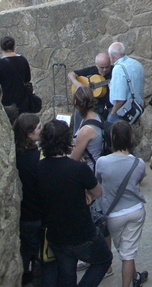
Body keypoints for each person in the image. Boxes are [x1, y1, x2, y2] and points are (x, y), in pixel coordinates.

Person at [36, 119, 113, 287]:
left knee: (67, 275)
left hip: (56, 233)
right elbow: (98, 192)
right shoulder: (78, 168)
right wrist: (87, 194)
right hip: (81, 232)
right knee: (104, 260)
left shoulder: (39, 168)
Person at [96, 121, 148, 287]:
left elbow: (98, 180)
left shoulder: (102, 162)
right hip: (135, 210)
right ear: (130, 138)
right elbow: (140, 179)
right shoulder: (138, 163)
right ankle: (135, 277)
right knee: (127, 252)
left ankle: (131, 281)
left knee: (125, 252)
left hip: (113, 213)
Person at [13, 113, 42, 285]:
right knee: (39, 252)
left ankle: (24, 276)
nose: (41, 130)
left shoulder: (15, 156)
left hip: (23, 214)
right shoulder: (37, 158)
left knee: (25, 249)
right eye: (39, 127)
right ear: (29, 134)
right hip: (37, 213)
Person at [68, 53, 113, 131]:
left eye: (107, 67)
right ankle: (77, 134)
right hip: (91, 106)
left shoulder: (115, 72)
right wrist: (77, 84)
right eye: (102, 67)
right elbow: (70, 74)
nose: (105, 70)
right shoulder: (91, 70)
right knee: (79, 110)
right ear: (96, 65)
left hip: (107, 107)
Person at [107, 42, 145, 124]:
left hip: (124, 111)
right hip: (138, 108)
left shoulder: (118, 69)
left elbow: (120, 99)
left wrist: (113, 114)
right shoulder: (136, 64)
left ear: (111, 56)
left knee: (109, 123)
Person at [70, 86, 104, 171]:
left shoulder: (86, 130)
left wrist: (76, 151)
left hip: (89, 170)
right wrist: (77, 149)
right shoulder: (95, 117)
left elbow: (73, 160)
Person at [0, 35, 32, 114]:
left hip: (8, 101)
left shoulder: (1, 63)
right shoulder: (23, 60)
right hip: (23, 100)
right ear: (14, 46)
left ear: (1, 48)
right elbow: (28, 78)